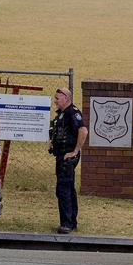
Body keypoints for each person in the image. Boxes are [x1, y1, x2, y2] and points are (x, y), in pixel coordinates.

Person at [49, 87, 86, 234]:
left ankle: (67, 223)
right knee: (68, 188)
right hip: (61, 155)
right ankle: (72, 221)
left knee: (63, 189)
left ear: (66, 98)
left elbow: (83, 131)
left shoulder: (73, 112)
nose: (55, 101)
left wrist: (75, 151)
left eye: (57, 98)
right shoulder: (62, 114)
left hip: (67, 157)